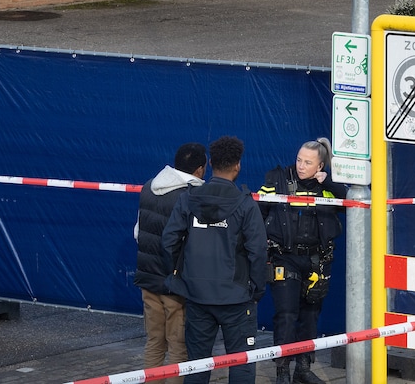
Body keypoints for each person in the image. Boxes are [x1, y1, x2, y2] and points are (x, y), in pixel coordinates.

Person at [163, 136, 267, 384]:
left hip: (198, 297)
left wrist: (179, 277)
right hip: (237, 298)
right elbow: (258, 251)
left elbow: (169, 242)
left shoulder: (188, 199)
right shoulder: (245, 204)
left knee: (197, 366)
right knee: (240, 364)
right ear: (238, 165)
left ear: (209, 163)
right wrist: (257, 288)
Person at [260, 138, 348, 384]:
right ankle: (282, 372)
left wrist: (328, 181)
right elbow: (259, 212)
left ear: (320, 166)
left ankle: (303, 368)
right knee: (286, 315)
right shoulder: (277, 180)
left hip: (316, 262)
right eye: (299, 159)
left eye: (308, 162)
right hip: (284, 259)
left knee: (310, 316)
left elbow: (352, 201)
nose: (301, 166)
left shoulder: (327, 187)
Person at [134, 143, 208, 384]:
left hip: (148, 279)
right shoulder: (192, 196)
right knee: (178, 347)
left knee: (154, 342)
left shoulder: (148, 187)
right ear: (199, 169)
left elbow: (137, 233)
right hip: (175, 284)